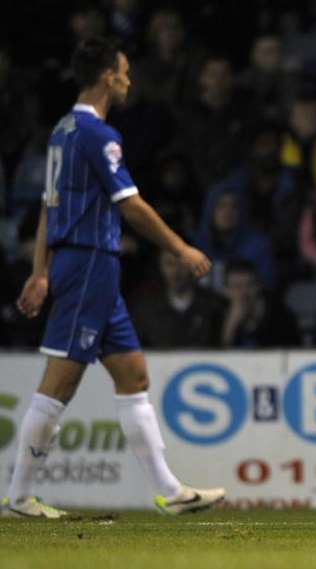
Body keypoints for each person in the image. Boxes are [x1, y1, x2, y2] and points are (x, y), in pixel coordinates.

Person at [2, 37, 224, 519]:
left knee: (133, 375)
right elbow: (131, 206)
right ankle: (18, 497)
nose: (128, 79)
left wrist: (40, 271)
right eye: (123, 71)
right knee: (57, 384)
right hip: (87, 265)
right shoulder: (97, 135)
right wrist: (181, 247)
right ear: (107, 76)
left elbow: (48, 206)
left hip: (88, 266)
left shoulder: (62, 130)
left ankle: (168, 490)